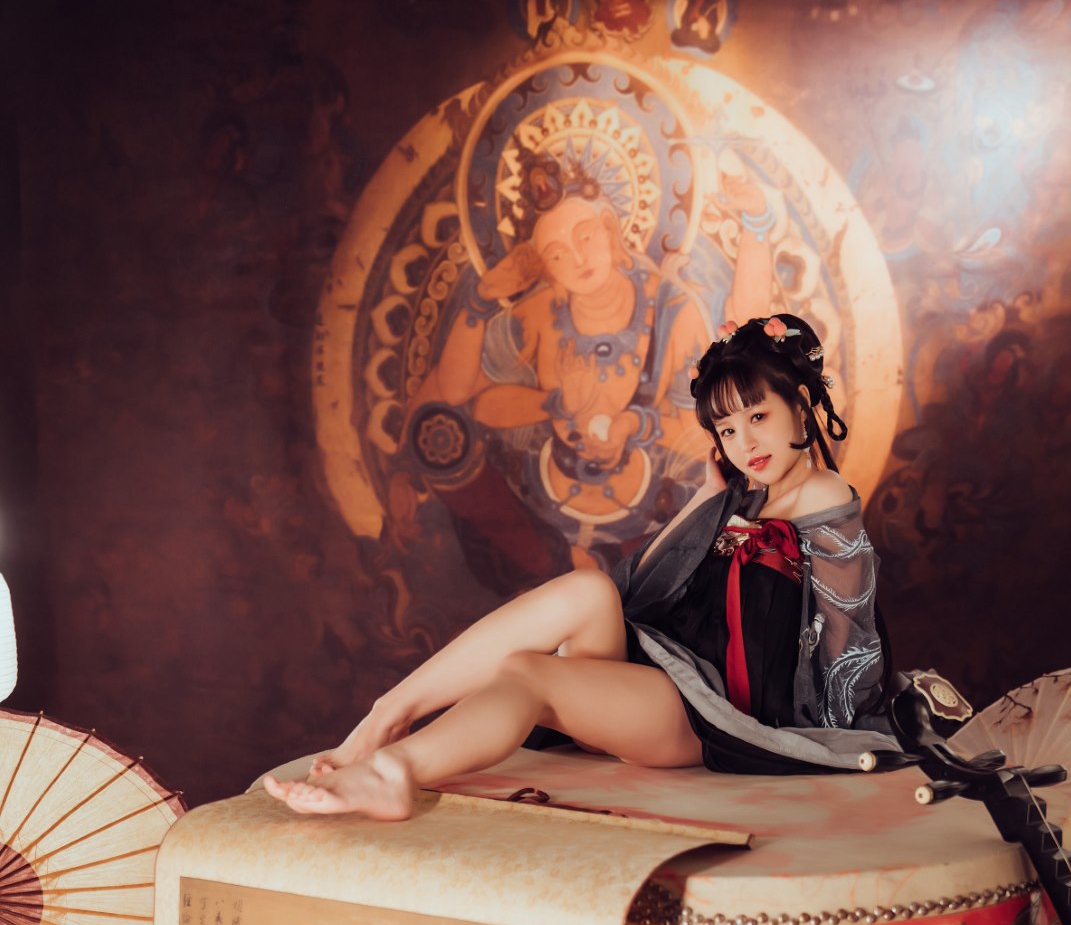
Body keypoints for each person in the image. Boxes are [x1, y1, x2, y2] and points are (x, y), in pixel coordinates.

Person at [266, 314, 895, 822]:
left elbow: (850, 642)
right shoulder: (746, 497)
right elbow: (642, 587)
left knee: (527, 672)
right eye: (727, 430)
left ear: (801, 404)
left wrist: (813, 737)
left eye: (758, 417)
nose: (745, 444)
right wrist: (707, 499)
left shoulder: (823, 495)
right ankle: (387, 714)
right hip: (659, 681)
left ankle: (394, 771)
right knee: (590, 588)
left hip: (706, 716)